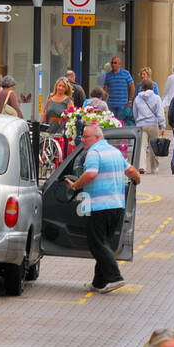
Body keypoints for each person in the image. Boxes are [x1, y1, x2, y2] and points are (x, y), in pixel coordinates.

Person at [65, 122, 141, 293]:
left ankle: (115, 277)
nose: (83, 139)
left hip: (99, 206)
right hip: (117, 205)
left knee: (96, 243)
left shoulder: (94, 152)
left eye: (86, 137)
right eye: (83, 136)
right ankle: (99, 282)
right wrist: (137, 180)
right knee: (103, 242)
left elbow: (91, 174)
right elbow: (131, 171)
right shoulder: (115, 152)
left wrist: (75, 185)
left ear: (97, 137)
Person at [131, 79, 166, 174]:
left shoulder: (137, 98)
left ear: (142, 87)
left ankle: (141, 166)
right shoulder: (156, 98)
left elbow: (135, 113)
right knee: (154, 147)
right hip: (153, 124)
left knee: (142, 147)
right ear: (152, 87)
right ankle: (154, 168)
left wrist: (137, 121)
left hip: (141, 125)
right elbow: (160, 113)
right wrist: (162, 125)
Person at [103, 56, 135, 123]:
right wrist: (103, 101)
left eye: (115, 63)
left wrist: (130, 101)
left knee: (121, 124)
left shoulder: (126, 74)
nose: (113, 64)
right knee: (112, 123)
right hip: (111, 105)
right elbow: (105, 89)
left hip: (122, 105)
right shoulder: (108, 75)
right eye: (112, 63)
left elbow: (132, 87)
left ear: (119, 64)